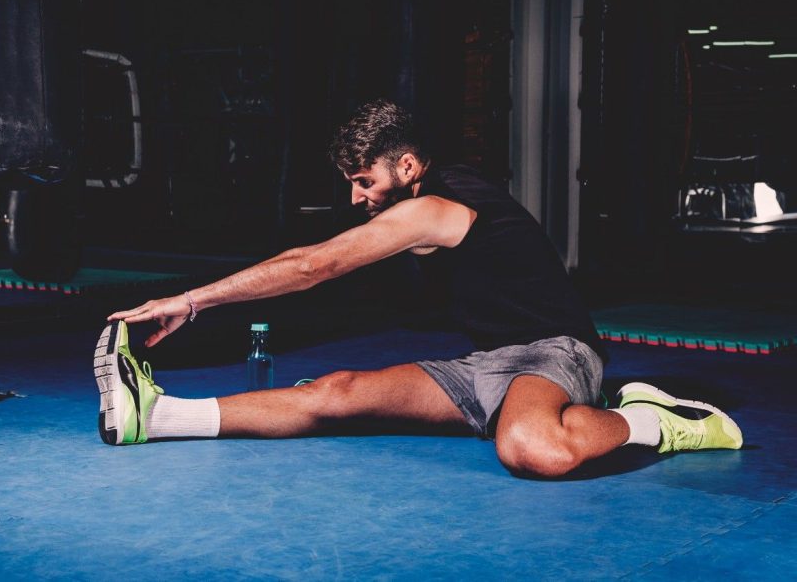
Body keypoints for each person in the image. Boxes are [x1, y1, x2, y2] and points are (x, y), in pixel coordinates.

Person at [95, 99, 742, 478]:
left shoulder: (438, 204)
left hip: (558, 352)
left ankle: (656, 420)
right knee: (333, 391)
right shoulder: (422, 207)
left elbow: (312, 265)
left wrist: (190, 299)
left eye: (362, 180)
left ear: (405, 167)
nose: (356, 196)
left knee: (532, 447)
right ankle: (157, 413)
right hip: (490, 364)